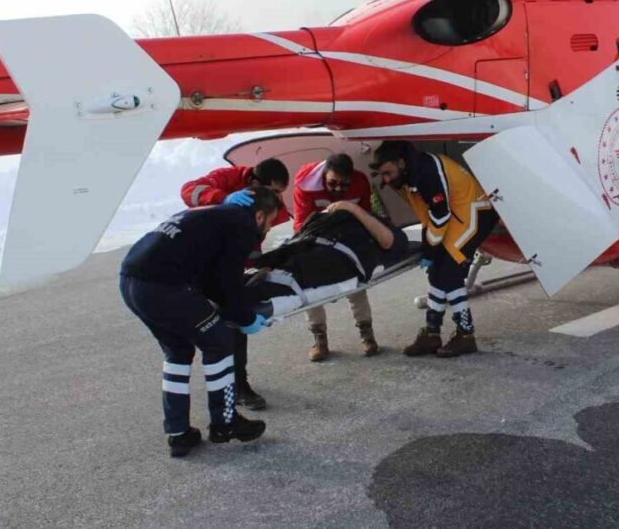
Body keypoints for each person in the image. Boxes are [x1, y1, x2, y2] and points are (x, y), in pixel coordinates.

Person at [119, 187, 281, 457]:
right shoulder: (242, 224)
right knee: (219, 342)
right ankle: (225, 423)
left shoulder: (213, 214)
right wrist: (246, 318)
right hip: (163, 285)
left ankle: (178, 432)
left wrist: (230, 308)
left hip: (130, 281)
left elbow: (208, 277)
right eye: (271, 221)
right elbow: (226, 282)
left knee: (178, 352)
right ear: (260, 215)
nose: (268, 228)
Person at [370, 141, 499, 358]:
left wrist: (430, 251)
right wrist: (431, 248)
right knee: (437, 273)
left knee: (450, 274)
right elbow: (430, 215)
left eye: (388, 173)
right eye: (382, 175)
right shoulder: (411, 171)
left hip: (475, 211)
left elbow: (440, 215)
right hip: (456, 212)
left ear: (400, 162)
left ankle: (466, 335)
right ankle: (432, 333)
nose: (386, 179)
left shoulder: (426, 172)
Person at [180, 157, 289, 412]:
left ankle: (237, 386)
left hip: (225, 264)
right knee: (211, 331)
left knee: (234, 325)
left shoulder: (261, 209)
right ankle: (224, 398)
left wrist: (258, 266)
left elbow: (250, 244)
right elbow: (189, 190)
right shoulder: (228, 180)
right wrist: (222, 198)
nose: (277, 200)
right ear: (254, 183)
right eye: (273, 192)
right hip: (200, 266)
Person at [245, 201, 410, 323]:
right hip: (308, 241)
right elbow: (297, 238)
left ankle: (244, 297)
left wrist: (354, 209)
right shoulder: (329, 214)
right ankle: (234, 286)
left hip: (340, 256)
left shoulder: (376, 224)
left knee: (295, 272)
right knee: (266, 262)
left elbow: (388, 241)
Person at [291, 153, 379, 361]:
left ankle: (367, 334)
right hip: (314, 238)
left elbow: (366, 214)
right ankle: (319, 338)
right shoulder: (305, 185)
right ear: (323, 175)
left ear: (352, 178)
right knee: (309, 287)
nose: (338, 189)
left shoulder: (360, 182)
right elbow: (300, 225)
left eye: (344, 185)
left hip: (348, 237)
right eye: (333, 183)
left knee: (357, 285)